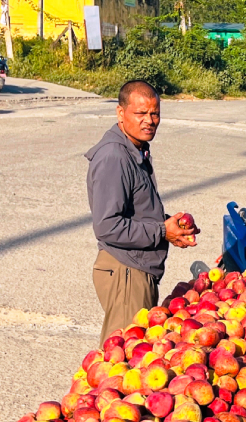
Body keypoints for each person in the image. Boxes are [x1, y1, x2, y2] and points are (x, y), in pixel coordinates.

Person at [85, 80, 198, 341]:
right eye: (140, 113)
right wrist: (161, 231)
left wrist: (171, 227)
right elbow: (107, 226)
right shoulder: (114, 156)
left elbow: (135, 211)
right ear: (120, 113)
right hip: (126, 272)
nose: (149, 120)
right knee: (122, 361)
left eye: (154, 113)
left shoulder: (135, 149)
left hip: (136, 270)